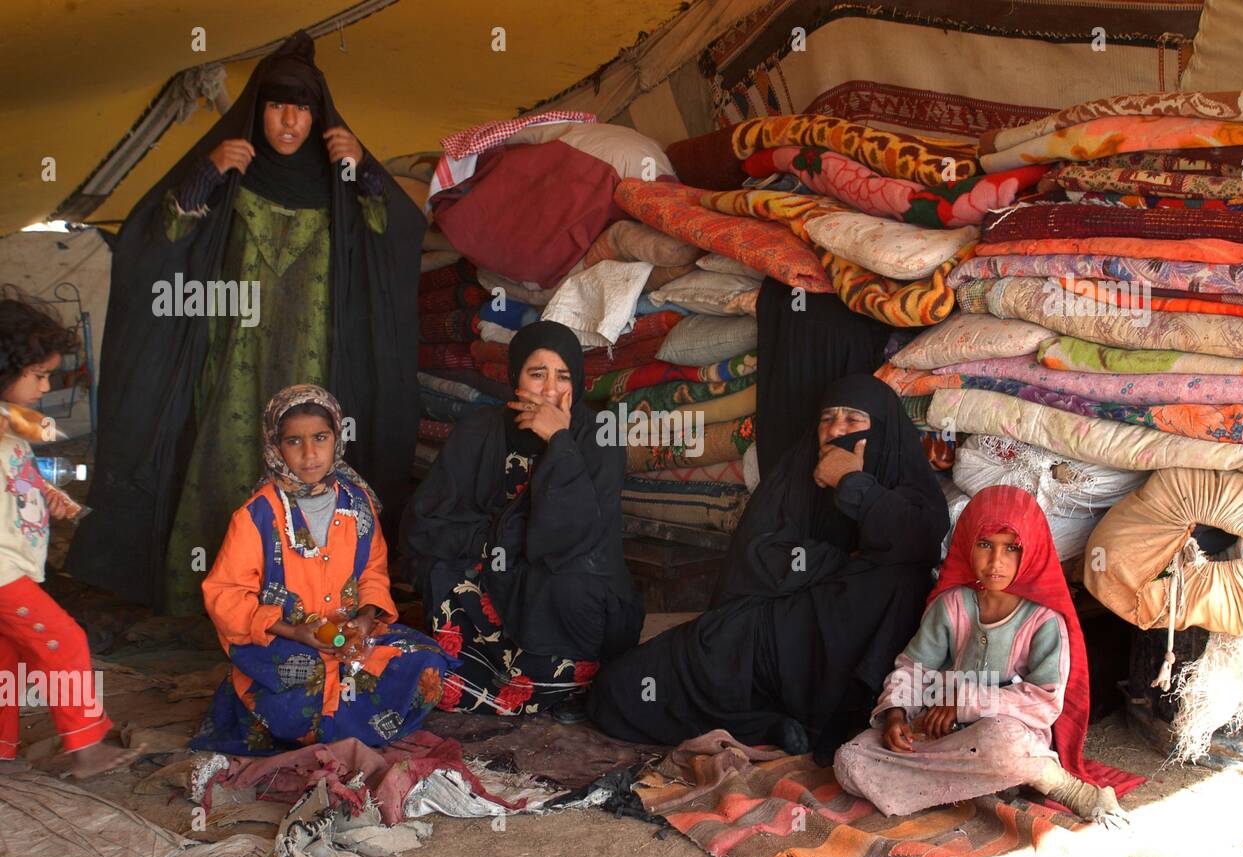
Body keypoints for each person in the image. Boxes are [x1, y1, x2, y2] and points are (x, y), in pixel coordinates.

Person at [66, 31, 425, 615]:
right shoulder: (232, 175)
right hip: (230, 358)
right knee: (227, 462)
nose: (289, 120)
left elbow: (398, 237)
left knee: (305, 466)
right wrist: (205, 173)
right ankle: (214, 598)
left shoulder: (341, 186)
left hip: (313, 362)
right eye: (277, 106)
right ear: (256, 111)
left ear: (319, 117)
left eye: (303, 108)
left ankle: (299, 602)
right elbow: (160, 241)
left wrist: (365, 173)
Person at [587, 372, 949, 758]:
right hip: (762, 639)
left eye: (852, 419)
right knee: (618, 690)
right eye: (827, 418)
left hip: (830, 665)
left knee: (900, 582)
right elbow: (758, 553)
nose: (834, 430)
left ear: (884, 429)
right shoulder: (799, 473)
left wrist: (852, 484)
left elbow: (916, 545)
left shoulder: (911, 496)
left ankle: (810, 724)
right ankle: (766, 727)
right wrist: (843, 564)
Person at [834, 484, 1137, 825]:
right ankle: (988, 781)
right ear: (966, 544)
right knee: (850, 761)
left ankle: (1067, 788)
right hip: (939, 736)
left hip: (1003, 736)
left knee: (1003, 746)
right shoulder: (953, 604)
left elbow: (1044, 702)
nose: (996, 562)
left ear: (1032, 550)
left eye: (1012, 548)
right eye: (984, 545)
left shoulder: (1043, 620)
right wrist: (896, 713)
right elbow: (913, 667)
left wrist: (964, 702)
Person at [399, 322, 643, 717]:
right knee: (439, 567)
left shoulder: (601, 436)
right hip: (493, 569)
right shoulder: (480, 429)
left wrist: (560, 442)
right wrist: (503, 543)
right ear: (515, 378)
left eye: (562, 376)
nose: (549, 389)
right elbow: (428, 521)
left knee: (569, 584)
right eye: (537, 374)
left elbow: (575, 539)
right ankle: (491, 675)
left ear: (578, 382)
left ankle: (563, 684)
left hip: (564, 578)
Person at [191, 385, 450, 755]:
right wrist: (293, 629)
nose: (310, 454)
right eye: (294, 441)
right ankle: (334, 725)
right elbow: (226, 595)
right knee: (306, 674)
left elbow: (373, 573)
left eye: (320, 438)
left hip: (348, 638)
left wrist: (362, 620)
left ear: (337, 439)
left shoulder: (357, 505)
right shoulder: (257, 516)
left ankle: (336, 724)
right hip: (285, 643)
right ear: (275, 446)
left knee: (426, 661)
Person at [0, 295, 140, 778]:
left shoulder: (11, 434)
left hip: (13, 570)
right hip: (1, 575)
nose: (46, 386)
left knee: (7, 662)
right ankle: (85, 741)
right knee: (64, 640)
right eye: (38, 375)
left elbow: (16, 473)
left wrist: (46, 495)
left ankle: (1, 750)